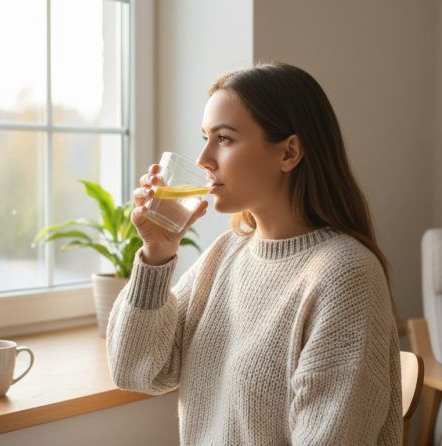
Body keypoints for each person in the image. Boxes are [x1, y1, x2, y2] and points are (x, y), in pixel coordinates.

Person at [106, 62, 402, 445]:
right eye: (205, 138)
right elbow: (136, 371)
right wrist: (158, 254)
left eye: (224, 139)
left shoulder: (345, 275)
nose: (203, 161)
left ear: (289, 153)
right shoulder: (227, 254)